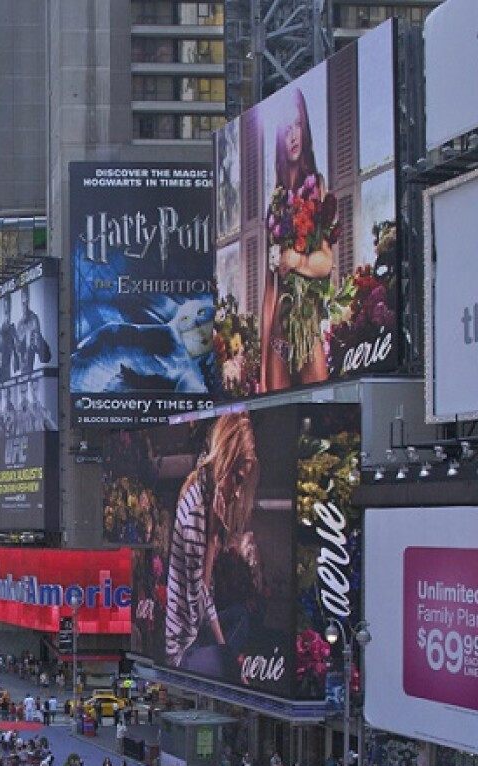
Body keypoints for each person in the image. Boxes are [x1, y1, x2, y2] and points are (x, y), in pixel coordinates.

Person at [163, 413, 261, 676]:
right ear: (224, 464)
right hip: (183, 650)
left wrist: (223, 648)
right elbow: (197, 608)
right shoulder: (196, 510)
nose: (238, 493)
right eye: (237, 479)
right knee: (230, 662)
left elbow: (207, 602)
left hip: (197, 636)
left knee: (240, 617)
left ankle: (227, 659)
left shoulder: (204, 494)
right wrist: (212, 538)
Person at [258, 87, 336, 392]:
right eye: (286, 127)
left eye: (298, 125)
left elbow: (326, 262)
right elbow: (269, 288)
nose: (293, 135)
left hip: (307, 324)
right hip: (279, 330)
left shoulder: (316, 186)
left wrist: (298, 260)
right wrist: (264, 362)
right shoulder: (275, 202)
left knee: (318, 404)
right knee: (275, 416)